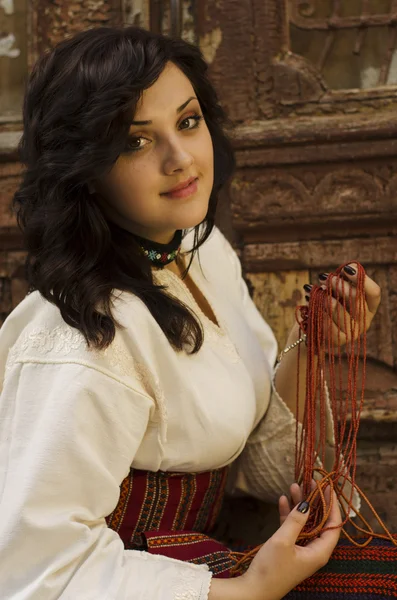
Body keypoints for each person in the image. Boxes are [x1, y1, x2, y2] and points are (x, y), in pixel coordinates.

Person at [0, 26, 382, 600]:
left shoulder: (199, 251)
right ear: (85, 171)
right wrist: (248, 591)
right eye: (134, 142)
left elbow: (253, 446)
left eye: (187, 121)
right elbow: (37, 572)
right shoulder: (83, 338)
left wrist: (315, 344)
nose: (180, 159)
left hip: (213, 556)